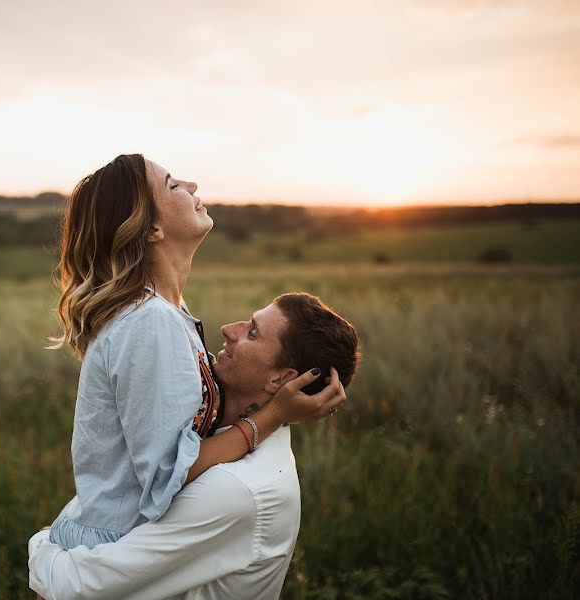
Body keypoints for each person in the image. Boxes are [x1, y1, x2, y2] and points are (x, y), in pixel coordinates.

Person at [46, 154, 346, 551]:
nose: (192, 185)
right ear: (152, 228)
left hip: (133, 547)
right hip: (110, 556)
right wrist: (273, 416)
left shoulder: (168, 311)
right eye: (172, 185)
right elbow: (168, 473)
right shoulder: (149, 321)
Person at [29, 292, 361, 599]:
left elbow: (77, 587)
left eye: (253, 333)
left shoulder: (236, 489)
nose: (229, 329)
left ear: (281, 380)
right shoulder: (211, 434)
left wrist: (44, 541)